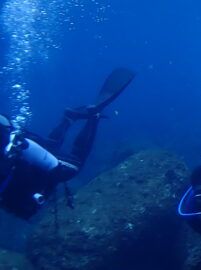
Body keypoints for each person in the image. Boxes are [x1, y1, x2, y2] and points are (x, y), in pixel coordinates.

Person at [0, 68, 135, 219]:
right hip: (22, 148)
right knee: (48, 149)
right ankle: (68, 118)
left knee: (73, 166)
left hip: (22, 152)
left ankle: (93, 115)